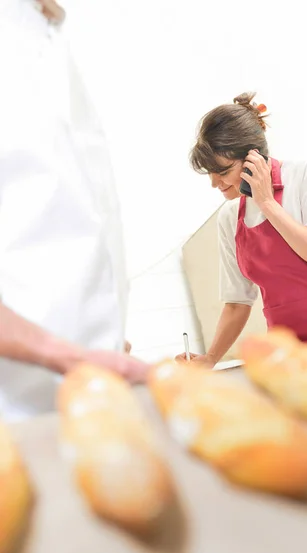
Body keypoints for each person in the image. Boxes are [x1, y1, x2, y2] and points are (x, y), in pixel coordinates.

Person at [0, 0, 147, 421]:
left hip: (91, 398)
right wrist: (59, 351)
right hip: (17, 416)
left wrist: (105, 337)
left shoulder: (45, 38)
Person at [176, 92, 307, 367]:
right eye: (210, 174)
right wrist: (210, 359)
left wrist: (267, 202)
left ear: (252, 158)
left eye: (222, 172)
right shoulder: (230, 216)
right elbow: (237, 302)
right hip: (288, 352)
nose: (214, 183)